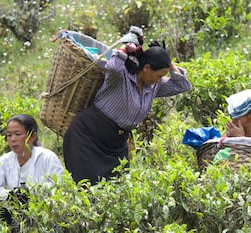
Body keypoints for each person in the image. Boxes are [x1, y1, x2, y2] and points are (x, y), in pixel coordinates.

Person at [63, 27, 192, 185]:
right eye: (159, 75)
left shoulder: (153, 87)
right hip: (88, 137)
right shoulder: (121, 76)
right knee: (88, 188)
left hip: (116, 145)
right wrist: (126, 46)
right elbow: (113, 66)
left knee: (117, 190)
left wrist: (167, 61)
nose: (160, 80)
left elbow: (183, 86)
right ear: (146, 68)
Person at [0, 114, 64, 226]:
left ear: (32, 136)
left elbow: (60, 187)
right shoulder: (6, 160)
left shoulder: (47, 158)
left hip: (44, 219)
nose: (13, 139)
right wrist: (9, 195)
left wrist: (29, 192)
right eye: (9, 135)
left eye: (18, 134)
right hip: (13, 218)